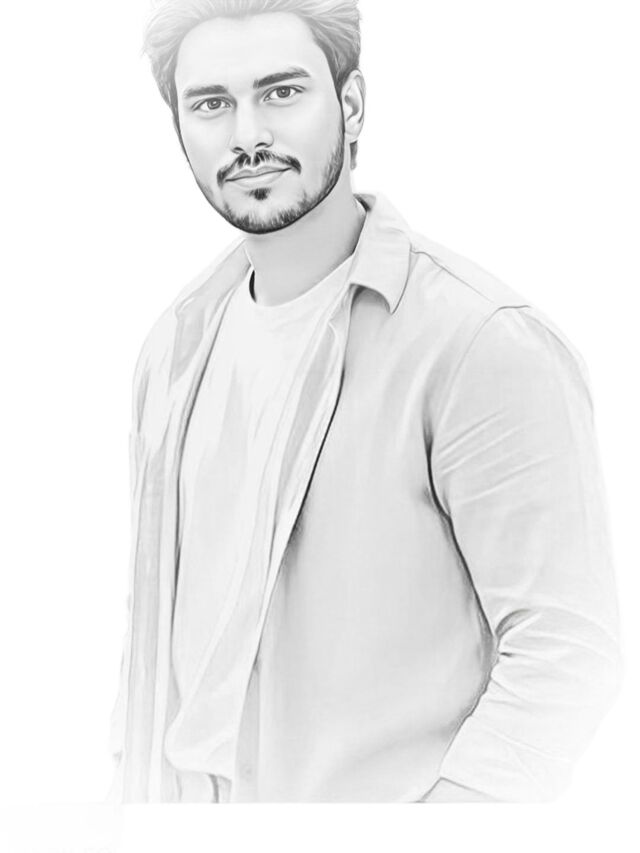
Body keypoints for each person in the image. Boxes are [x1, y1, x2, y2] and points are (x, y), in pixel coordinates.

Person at [108, 0, 622, 803]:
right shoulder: (173, 346)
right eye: (211, 103)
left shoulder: (478, 341)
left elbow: (566, 649)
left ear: (350, 105)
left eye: (281, 92)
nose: (247, 134)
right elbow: (165, 643)